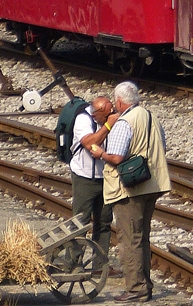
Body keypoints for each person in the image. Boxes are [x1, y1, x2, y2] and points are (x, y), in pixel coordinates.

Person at [88, 82, 169, 302]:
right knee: (142, 237)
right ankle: (146, 285)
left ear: (121, 102)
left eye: (116, 101)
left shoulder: (124, 122)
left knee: (129, 240)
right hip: (152, 185)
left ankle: (136, 289)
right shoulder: (151, 116)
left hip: (130, 189)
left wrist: (101, 154)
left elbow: (116, 157)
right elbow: (161, 144)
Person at [71, 96, 115, 264]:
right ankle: (73, 262)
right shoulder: (83, 119)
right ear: (97, 113)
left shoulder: (110, 118)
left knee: (104, 221)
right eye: (106, 115)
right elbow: (91, 144)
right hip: (84, 177)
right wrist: (108, 125)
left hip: (106, 177)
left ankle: (99, 264)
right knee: (80, 221)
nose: (109, 116)